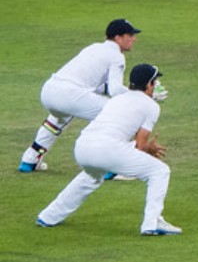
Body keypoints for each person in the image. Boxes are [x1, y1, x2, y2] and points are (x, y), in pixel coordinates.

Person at [36, 64, 180, 236]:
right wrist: (149, 148)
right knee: (159, 171)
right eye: (155, 82)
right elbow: (141, 146)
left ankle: (48, 216)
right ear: (149, 84)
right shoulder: (151, 106)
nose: (156, 85)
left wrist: (140, 147)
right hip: (108, 149)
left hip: (83, 147)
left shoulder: (117, 98)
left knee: (91, 177)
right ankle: (152, 223)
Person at [19, 20, 143, 173]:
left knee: (58, 119)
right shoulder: (117, 56)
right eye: (130, 35)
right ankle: (114, 169)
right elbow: (115, 90)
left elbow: (97, 85)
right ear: (118, 38)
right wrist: (140, 94)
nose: (134, 39)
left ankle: (29, 160)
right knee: (115, 116)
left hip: (49, 90)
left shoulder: (93, 48)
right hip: (70, 94)